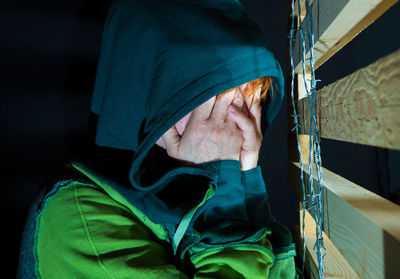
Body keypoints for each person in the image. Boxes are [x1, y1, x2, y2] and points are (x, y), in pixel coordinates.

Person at [18, 0, 298, 278]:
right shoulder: (77, 217)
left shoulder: (181, 193)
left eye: (247, 107)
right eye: (216, 105)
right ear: (149, 97)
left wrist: (245, 186)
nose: (229, 131)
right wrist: (223, 191)